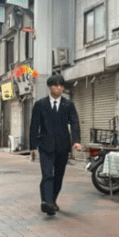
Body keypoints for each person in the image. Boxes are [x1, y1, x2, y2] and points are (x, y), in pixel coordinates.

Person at [29, 74, 82, 216]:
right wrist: (32, 146)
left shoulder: (68, 104)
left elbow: (75, 123)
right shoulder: (40, 105)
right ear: (50, 87)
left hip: (63, 146)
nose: (58, 88)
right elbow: (34, 126)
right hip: (45, 145)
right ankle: (47, 202)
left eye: (61, 86)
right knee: (47, 174)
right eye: (55, 85)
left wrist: (76, 141)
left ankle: (51, 200)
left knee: (59, 175)